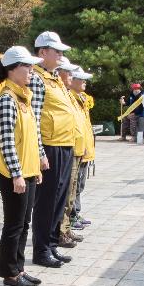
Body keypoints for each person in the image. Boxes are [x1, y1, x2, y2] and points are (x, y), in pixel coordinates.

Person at [0, 46, 46, 286]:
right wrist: (16, 173)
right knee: (14, 224)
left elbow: (32, 136)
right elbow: (6, 141)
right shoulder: (7, 99)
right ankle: (9, 273)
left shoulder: (24, 96)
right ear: (12, 69)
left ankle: (19, 268)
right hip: (14, 174)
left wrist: (37, 164)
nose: (31, 71)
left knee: (24, 223)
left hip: (28, 171)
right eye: (27, 66)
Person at [30, 33, 80, 267]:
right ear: (42, 53)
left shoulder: (55, 78)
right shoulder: (37, 79)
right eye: (56, 51)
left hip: (64, 143)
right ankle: (41, 250)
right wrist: (40, 151)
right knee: (47, 201)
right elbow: (35, 117)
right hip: (50, 146)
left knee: (59, 200)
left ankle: (51, 244)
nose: (61, 55)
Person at [52, 58, 86, 250]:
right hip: (66, 148)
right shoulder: (62, 94)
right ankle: (61, 231)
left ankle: (65, 229)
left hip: (76, 148)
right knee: (65, 195)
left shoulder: (71, 96)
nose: (73, 77)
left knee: (71, 193)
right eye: (70, 73)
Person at [66, 65, 96, 228]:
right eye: (81, 79)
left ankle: (76, 212)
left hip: (85, 149)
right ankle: (71, 216)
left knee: (80, 185)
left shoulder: (82, 99)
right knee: (74, 186)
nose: (84, 82)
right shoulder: (71, 99)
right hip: (77, 149)